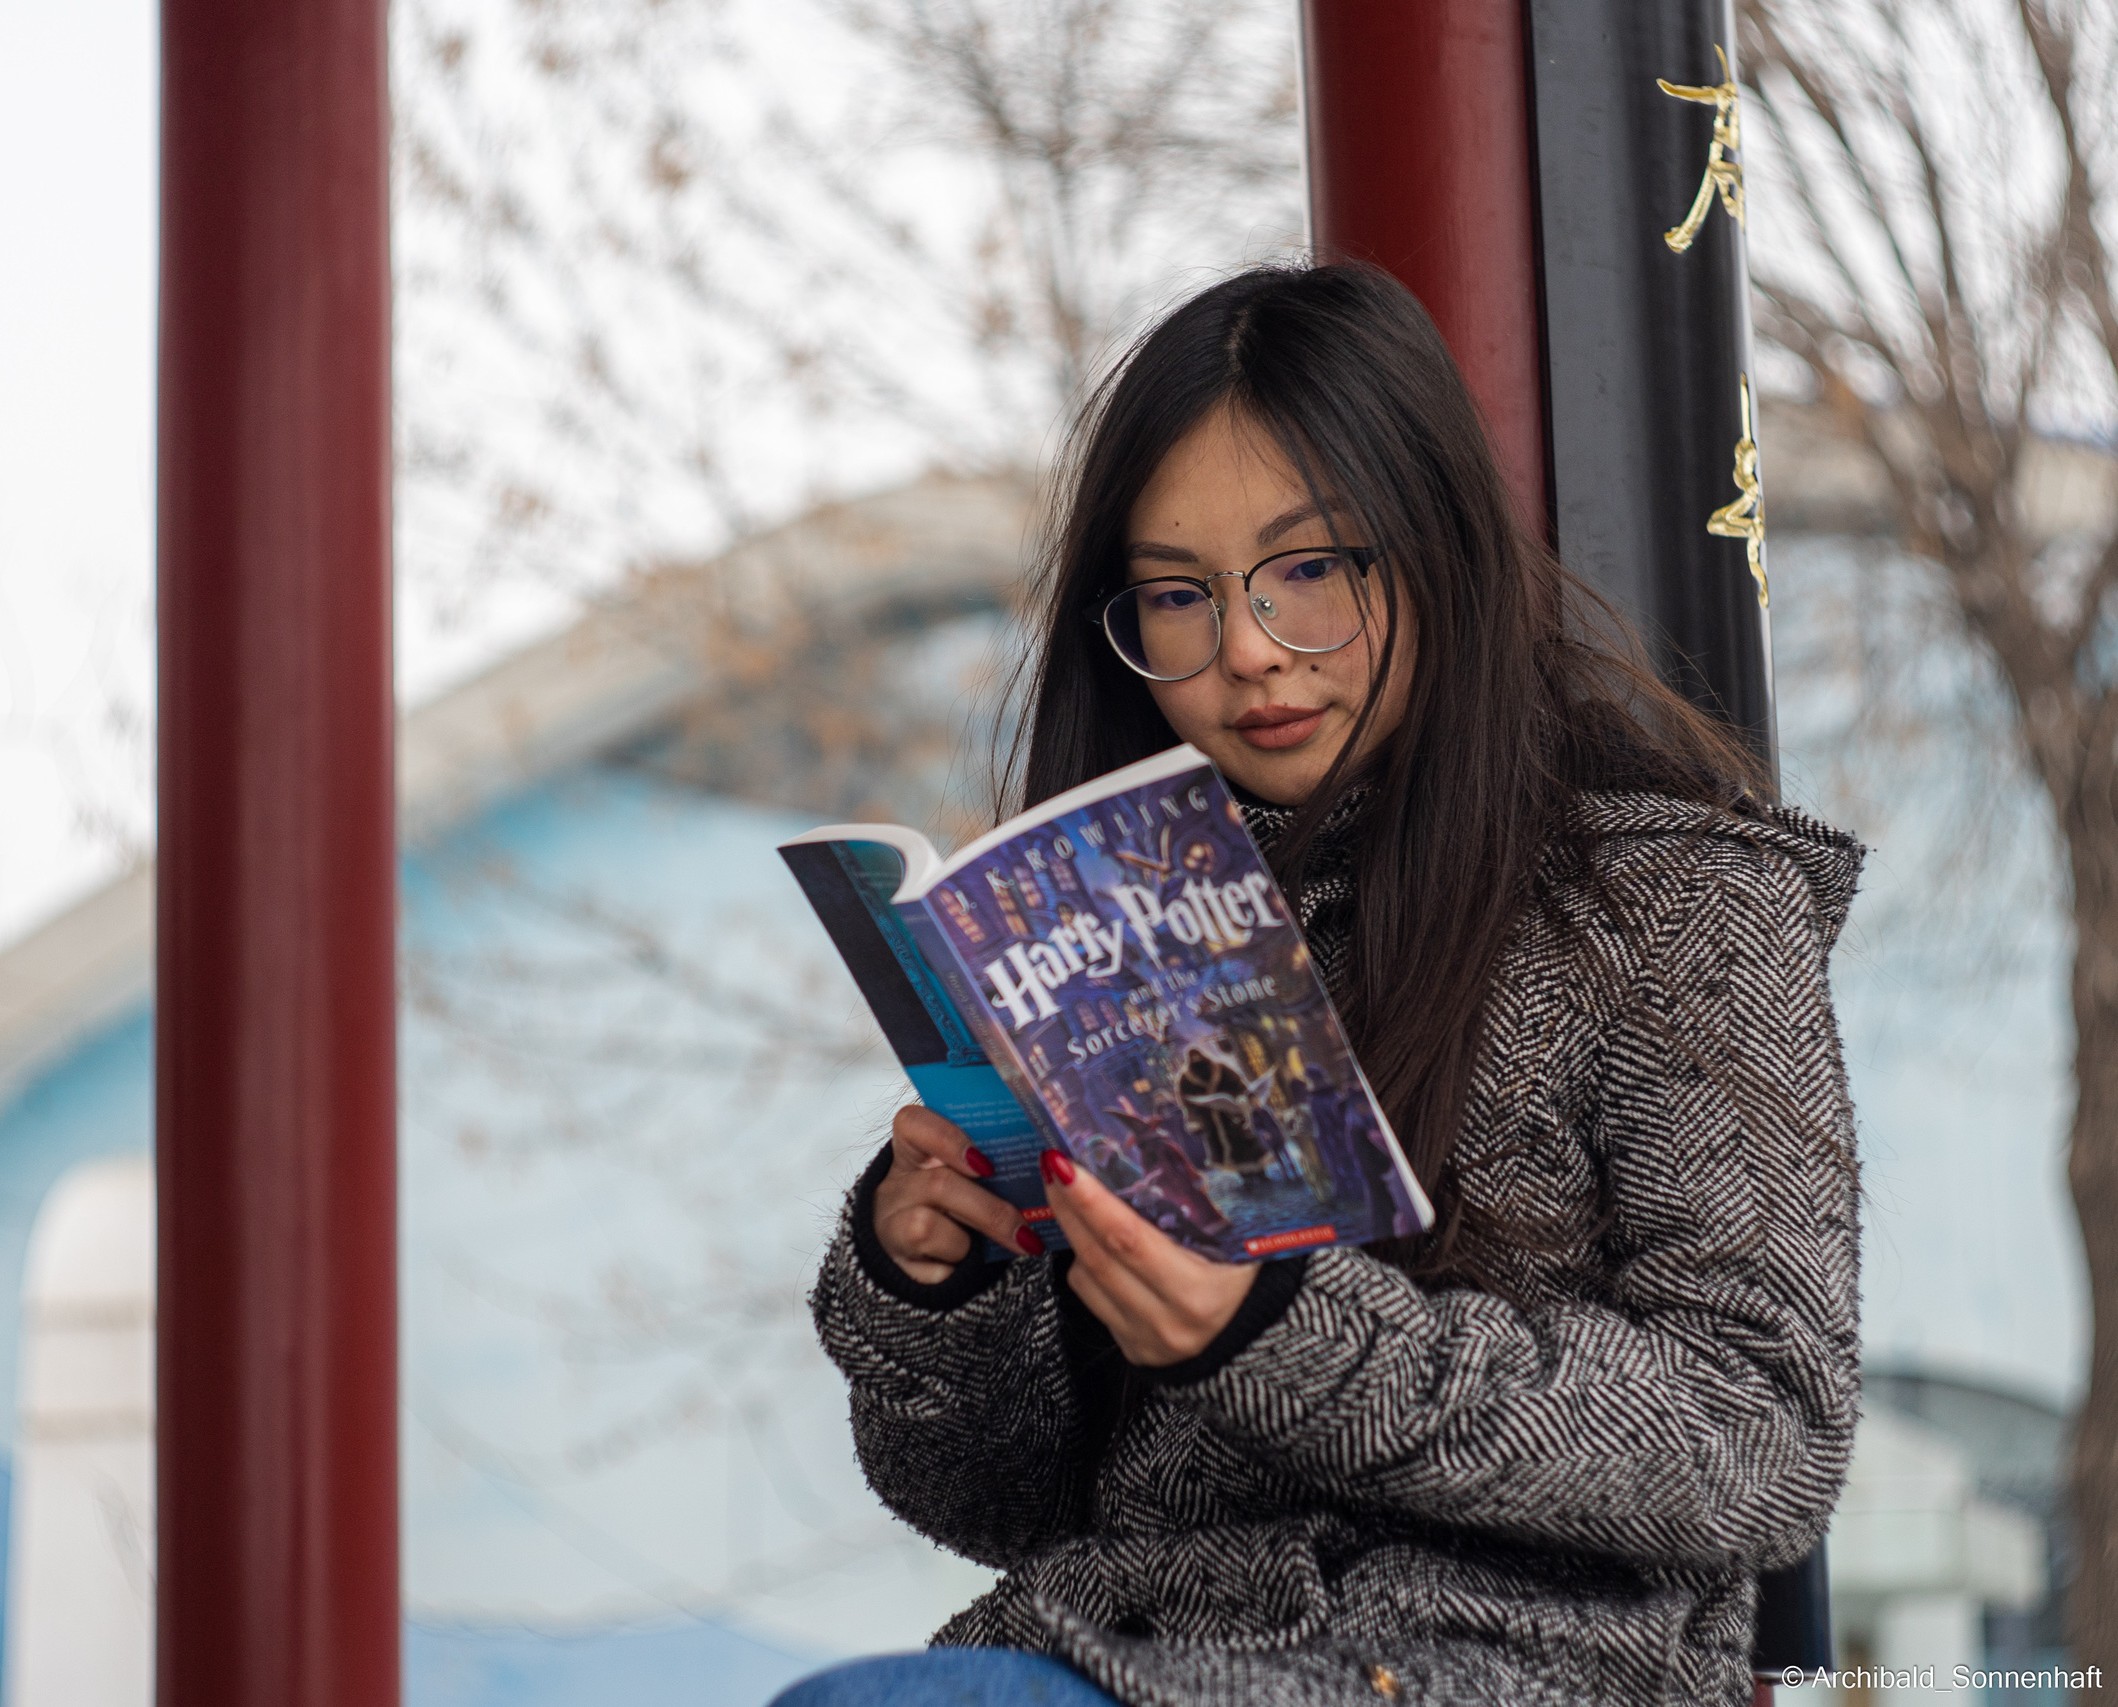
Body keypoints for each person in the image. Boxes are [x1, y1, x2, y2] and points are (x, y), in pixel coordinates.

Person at [771, 264, 1861, 1707]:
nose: (1248, 654)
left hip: (1524, 1669)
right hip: (1137, 1652)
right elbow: (1002, 1506)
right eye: (1178, 595)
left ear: (1434, 546)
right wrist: (944, 1285)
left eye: (1313, 570)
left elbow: (1762, 1436)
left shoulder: (1670, 903)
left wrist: (1275, 1333)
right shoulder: (1122, 933)